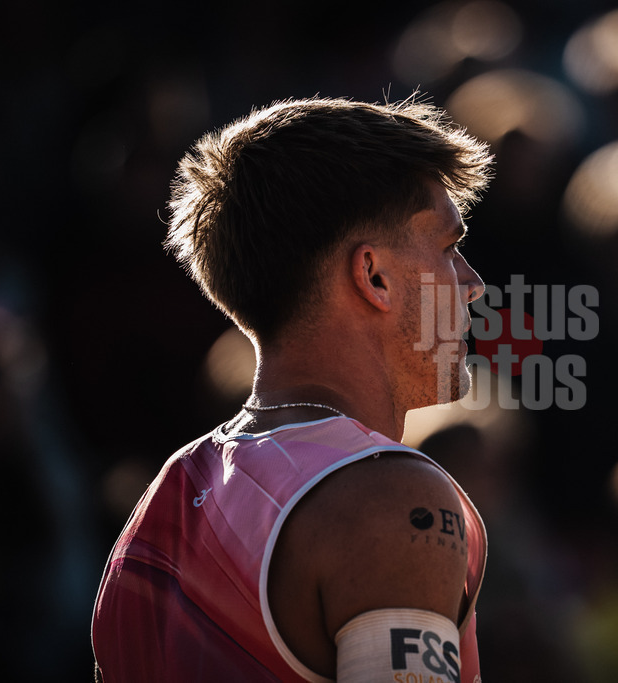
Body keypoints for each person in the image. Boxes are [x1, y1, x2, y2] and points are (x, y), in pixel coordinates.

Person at [91, 95, 494, 683]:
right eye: (449, 248)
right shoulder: (391, 497)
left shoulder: (166, 497)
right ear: (374, 275)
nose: (473, 284)